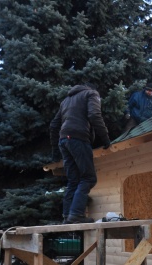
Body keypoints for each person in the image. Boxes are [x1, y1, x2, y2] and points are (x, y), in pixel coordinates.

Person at [50, 83, 111, 224]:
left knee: (73, 180)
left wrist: (55, 150)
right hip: (78, 138)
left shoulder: (65, 101)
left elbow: (54, 125)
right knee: (89, 178)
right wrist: (106, 139)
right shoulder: (91, 94)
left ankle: (67, 216)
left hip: (63, 141)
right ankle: (76, 214)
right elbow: (94, 115)